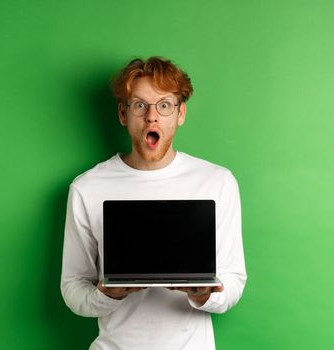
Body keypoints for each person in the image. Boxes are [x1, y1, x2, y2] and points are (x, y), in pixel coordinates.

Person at [60, 56, 247, 349]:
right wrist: (109, 294)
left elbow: (234, 281)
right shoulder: (87, 188)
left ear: (180, 113)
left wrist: (203, 294)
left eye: (164, 105)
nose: (152, 117)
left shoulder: (217, 182)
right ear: (124, 114)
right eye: (139, 105)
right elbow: (72, 288)